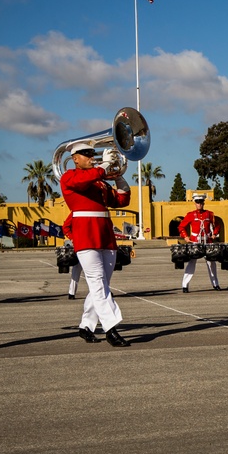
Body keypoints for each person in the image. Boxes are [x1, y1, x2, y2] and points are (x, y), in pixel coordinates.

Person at [60, 141, 132, 347]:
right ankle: (111, 328)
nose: (91, 157)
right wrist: (103, 166)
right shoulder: (69, 177)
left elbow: (119, 201)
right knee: (98, 281)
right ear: (74, 158)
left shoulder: (99, 182)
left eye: (92, 153)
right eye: (86, 154)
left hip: (105, 233)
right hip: (85, 233)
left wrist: (119, 179)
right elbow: (84, 181)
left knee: (101, 284)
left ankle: (86, 325)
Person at [179, 193, 219, 292]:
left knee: (211, 263)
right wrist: (186, 237)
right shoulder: (191, 215)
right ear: (195, 203)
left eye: (201, 202)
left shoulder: (210, 214)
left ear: (203, 203)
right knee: (192, 263)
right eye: (197, 202)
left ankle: (215, 284)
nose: (199, 204)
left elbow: (217, 226)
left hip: (207, 241)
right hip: (195, 242)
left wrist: (214, 233)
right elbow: (181, 227)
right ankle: (185, 285)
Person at [62, 212, 82, 299]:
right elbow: (65, 227)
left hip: (94, 243)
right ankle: (72, 292)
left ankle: (103, 290)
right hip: (79, 243)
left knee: (98, 269)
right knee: (77, 268)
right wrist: (73, 238)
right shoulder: (76, 212)